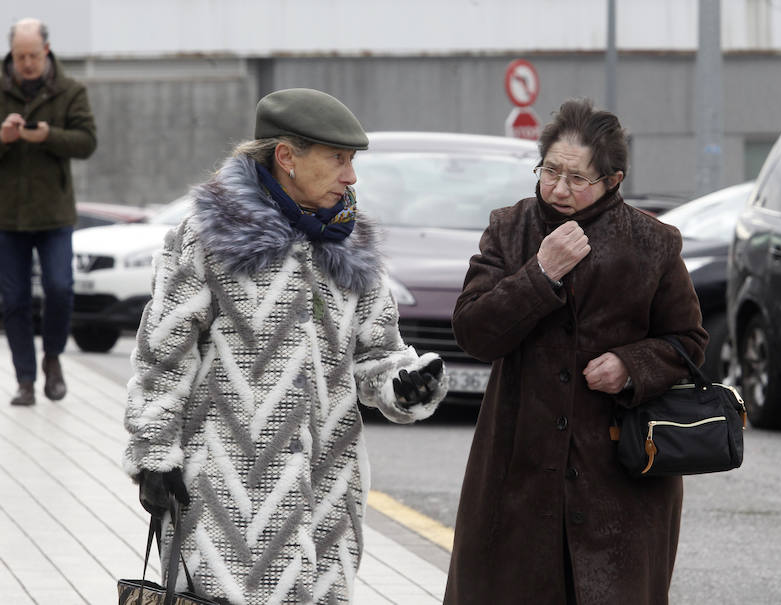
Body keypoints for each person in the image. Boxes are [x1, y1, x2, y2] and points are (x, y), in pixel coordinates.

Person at [123, 88, 448, 604]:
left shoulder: (353, 245)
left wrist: (402, 385)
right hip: (222, 487)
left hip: (324, 490)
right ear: (287, 157)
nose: (351, 176)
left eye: (353, 161)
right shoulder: (210, 234)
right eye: (338, 159)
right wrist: (154, 454)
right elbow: (164, 351)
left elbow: (378, 353)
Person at [443, 99, 708, 604]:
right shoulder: (509, 228)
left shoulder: (653, 244)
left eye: (578, 178)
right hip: (517, 475)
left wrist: (631, 367)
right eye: (550, 172)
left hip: (619, 480)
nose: (559, 189)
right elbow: (473, 332)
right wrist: (539, 274)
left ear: (613, 180)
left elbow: (689, 342)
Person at [0, 18, 97, 406]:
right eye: (20, 56)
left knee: (59, 289)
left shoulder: (70, 90)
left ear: (47, 51)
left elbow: (87, 141)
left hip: (54, 214)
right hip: (7, 218)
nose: (26, 63)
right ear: (12, 54)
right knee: (14, 301)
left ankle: (52, 360)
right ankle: (25, 380)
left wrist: (49, 136)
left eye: (33, 56)